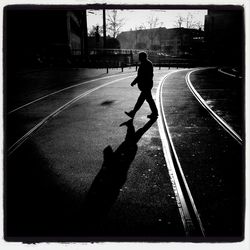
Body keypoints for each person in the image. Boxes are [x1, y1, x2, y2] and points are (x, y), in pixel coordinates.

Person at [125, 51, 158, 119]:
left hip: (146, 85)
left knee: (144, 100)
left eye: (140, 57)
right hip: (147, 85)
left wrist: (134, 82)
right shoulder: (147, 63)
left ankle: (154, 113)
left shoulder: (145, 64)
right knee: (144, 100)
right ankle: (133, 113)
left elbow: (141, 76)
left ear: (142, 57)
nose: (139, 58)